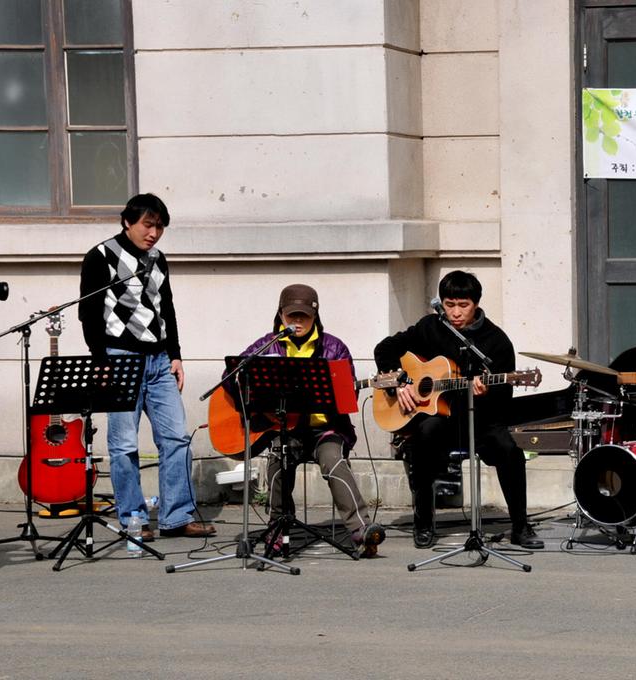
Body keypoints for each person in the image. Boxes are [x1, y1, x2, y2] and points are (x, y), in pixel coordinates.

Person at [373, 270, 543, 550]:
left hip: (483, 420)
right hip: (441, 419)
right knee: (424, 437)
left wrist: (486, 392)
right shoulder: (429, 327)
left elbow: (505, 395)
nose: (455, 313)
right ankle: (424, 521)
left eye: (463, 305)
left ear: (475, 304)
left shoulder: (496, 341)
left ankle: (520, 525)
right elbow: (386, 348)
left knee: (510, 452)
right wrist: (400, 384)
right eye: (449, 305)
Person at [79, 193, 214, 540]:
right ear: (128, 221)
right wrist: (100, 361)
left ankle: (176, 517)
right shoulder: (101, 256)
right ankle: (133, 519)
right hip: (119, 357)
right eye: (147, 225)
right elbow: (89, 313)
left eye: (159, 227)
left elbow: (165, 308)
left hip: (158, 360)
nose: (153, 233)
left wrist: (176, 355)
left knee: (177, 438)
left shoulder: (157, 259)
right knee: (124, 443)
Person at [230, 284, 385, 557]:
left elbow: (345, 400)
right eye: (291, 316)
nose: (297, 322)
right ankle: (278, 528)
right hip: (284, 429)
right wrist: (256, 408)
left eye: (303, 316)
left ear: (315, 316)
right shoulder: (267, 345)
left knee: (334, 461)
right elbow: (234, 376)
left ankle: (361, 530)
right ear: (280, 315)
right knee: (277, 460)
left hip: (325, 429)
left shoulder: (335, 348)